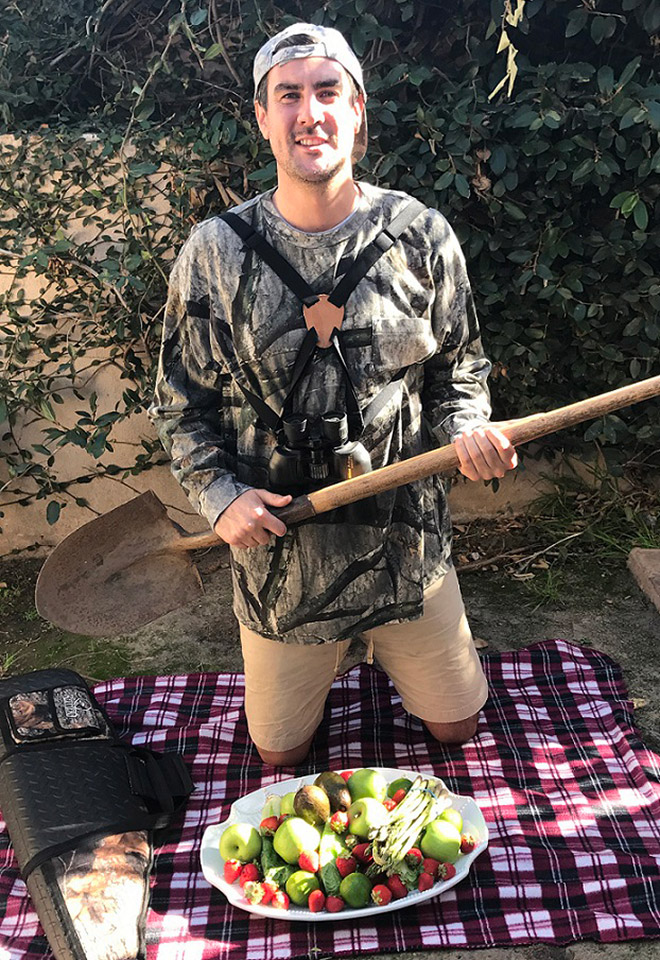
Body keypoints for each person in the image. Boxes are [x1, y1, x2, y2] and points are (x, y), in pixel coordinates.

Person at [149, 23, 518, 767]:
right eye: (288, 95)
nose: (308, 112)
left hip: (407, 550)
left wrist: (469, 430)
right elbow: (179, 402)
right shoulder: (214, 252)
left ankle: (395, 656)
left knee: (458, 732)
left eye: (327, 92)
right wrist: (220, 497)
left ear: (357, 112)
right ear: (261, 116)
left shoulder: (422, 234)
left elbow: (461, 370)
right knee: (280, 756)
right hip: (284, 568)